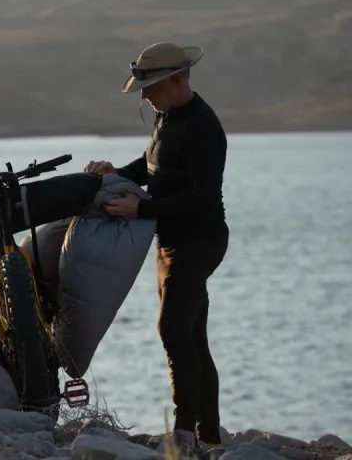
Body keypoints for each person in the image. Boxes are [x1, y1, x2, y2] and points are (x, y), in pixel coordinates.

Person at [85, 41, 229, 448]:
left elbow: (201, 198)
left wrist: (142, 209)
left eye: (151, 87)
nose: (144, 96)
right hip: (170, 240)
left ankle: (185, 432)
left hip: (199, 240)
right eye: (142, 88)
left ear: (180, 79)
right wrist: (115, 173)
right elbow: (152, 166)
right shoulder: (167, 117)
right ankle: (210, 434)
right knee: (191, 334)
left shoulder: (203, 126)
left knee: (172, 329)